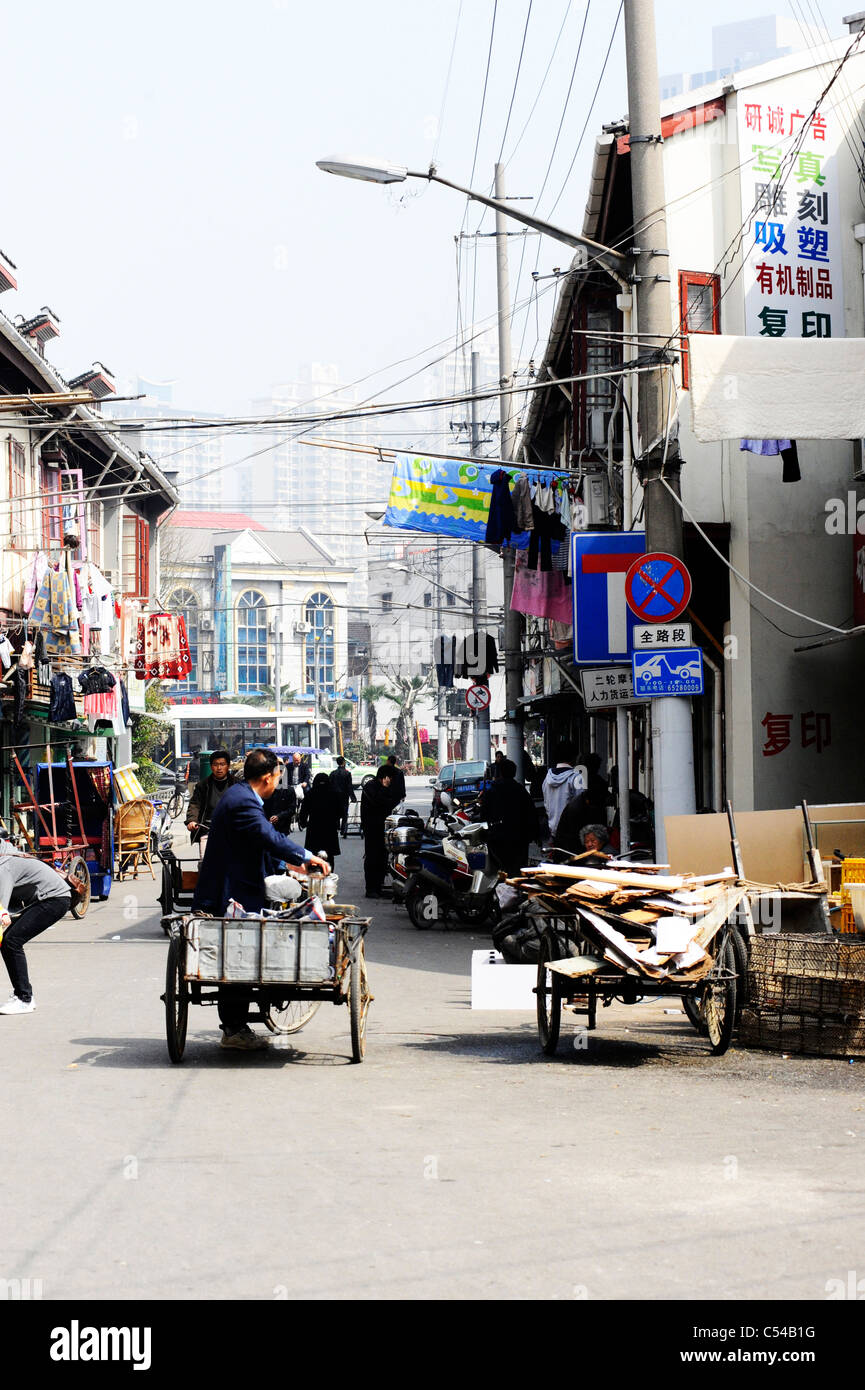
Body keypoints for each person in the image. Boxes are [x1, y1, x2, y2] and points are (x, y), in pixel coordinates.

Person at [192, 748, 330, 1051]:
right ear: (267, 777)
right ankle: (234, 1029)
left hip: (236, 885)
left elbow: (259, 840)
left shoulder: (240, 795)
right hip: (230, 892)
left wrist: (289, 865)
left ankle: (235, 1025)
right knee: (239, 960)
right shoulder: (243, 802)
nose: (277, 783)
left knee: (238, 957)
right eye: (277, 777)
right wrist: (304, 856)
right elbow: (267, 837)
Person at [0, 839, 72, 1014]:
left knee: (11, 941)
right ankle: (23, 995)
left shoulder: (3, 866)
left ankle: (24, 999)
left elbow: (1, 910)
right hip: (46, 898)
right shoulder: (6, 853)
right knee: (9, 941)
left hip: (54, 899)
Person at [479, 759, 539, 876]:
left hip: (497, 837)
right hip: (519, 838)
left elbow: (484, 815)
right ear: (514, 773)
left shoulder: (492, 791)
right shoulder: (521, 791)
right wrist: (534, 835)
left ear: (500, 772)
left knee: (500, 870)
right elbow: (531, 813)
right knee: (517, 870)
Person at [186, 748, 237, 844]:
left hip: (233, 831)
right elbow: (195, 804)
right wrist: (192, 821)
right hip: (208, 830)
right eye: (215, 764)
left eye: (222, 764)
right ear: (211, 766)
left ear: (228, 766)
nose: (219, 768)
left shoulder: (238, 784)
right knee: (205, 858)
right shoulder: (202, 785)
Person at [360, 767, 393, 898]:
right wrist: (385, 788)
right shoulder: (371, 787)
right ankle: (371, 889)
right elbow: (378, 802)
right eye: (389, 778)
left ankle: (379, 886)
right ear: (384, 777)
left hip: (383, 828)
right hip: (372, 828)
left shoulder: (381, 786)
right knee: (372, 857)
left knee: (382, 857)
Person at [542, 743, 586, 840]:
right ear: (574, 757)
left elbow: (546, 804)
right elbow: (581, 805)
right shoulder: (577, 777)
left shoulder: (547, 778)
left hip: (553, 831)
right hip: (572, 831)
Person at [298, 773, 342, 864]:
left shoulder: (310, 793)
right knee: (329, 855)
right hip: (330, 828)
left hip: (314, 828)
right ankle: (329, 873)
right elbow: (341, 812)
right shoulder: (334, 794)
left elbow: (303, 811)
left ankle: (315, 875)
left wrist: (303, 823)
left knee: (313, 855)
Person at [330, 756, 356, 836]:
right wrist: (353, 797)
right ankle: (343, 829)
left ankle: (337, 826)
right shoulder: (347, 773)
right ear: (344, 763)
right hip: (344, 796)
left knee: (336, 812)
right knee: (345, 813)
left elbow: (329, 785)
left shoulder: (333, 773)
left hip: (334, 796)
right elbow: (349, 787)